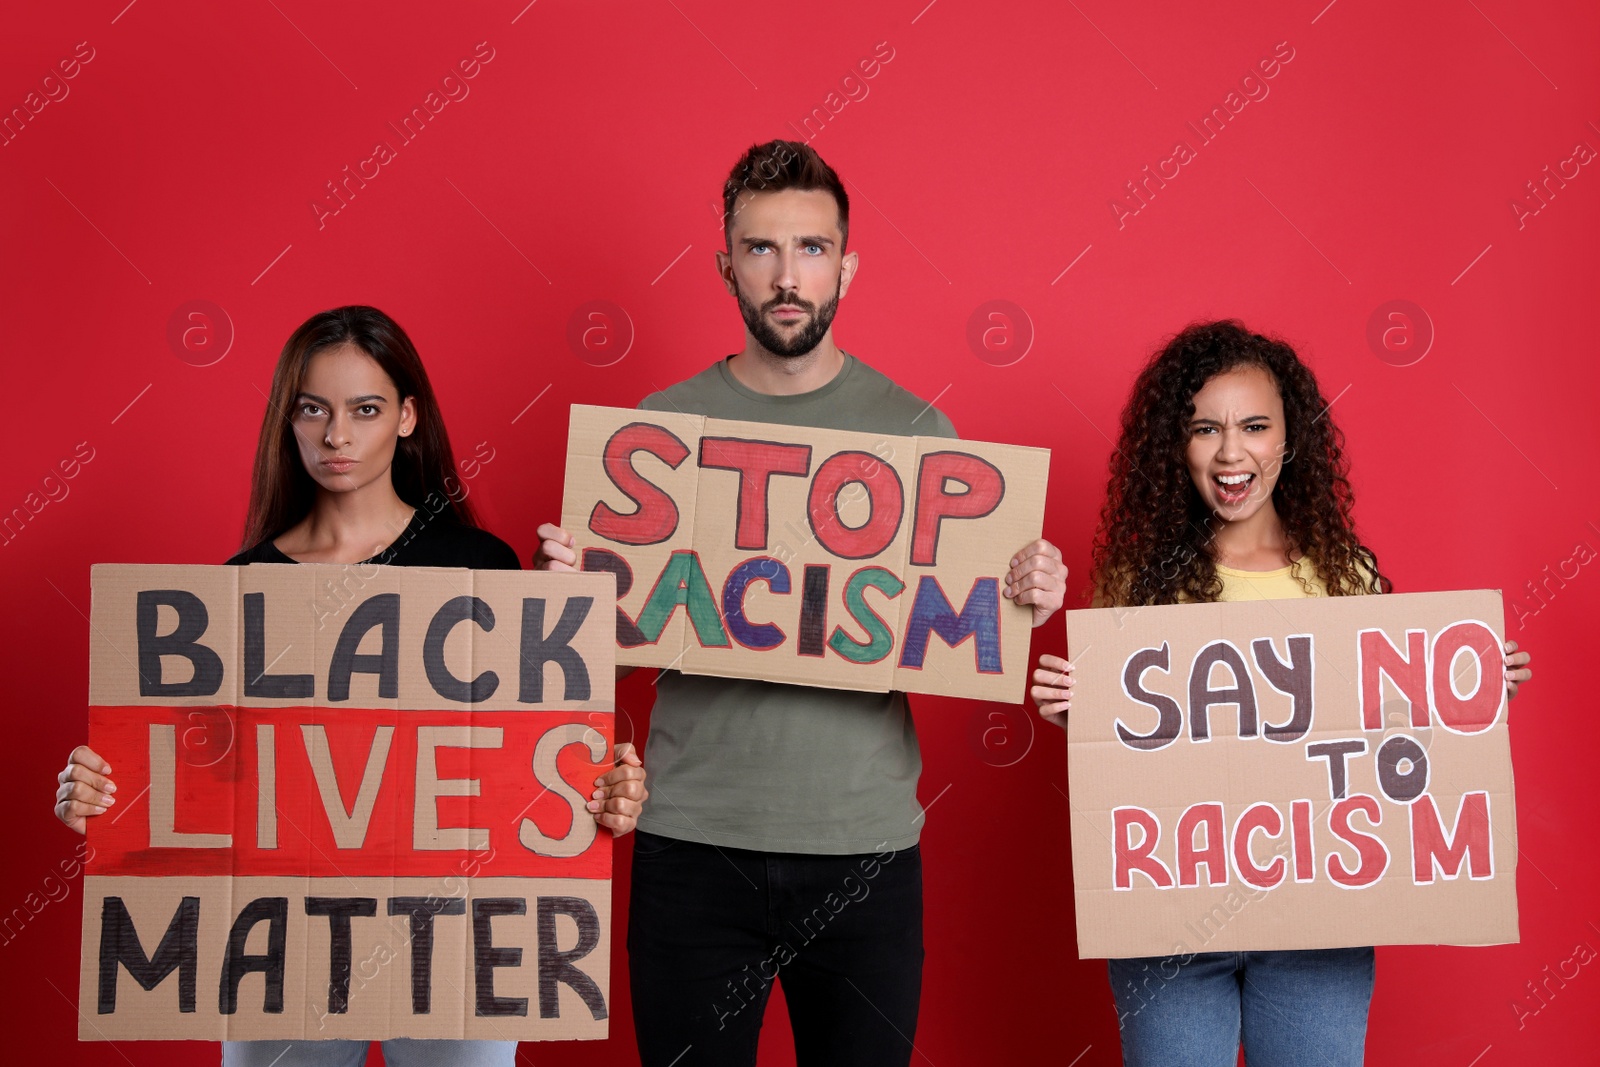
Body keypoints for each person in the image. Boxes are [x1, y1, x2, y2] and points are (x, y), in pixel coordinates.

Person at [535, 140, 1067, 1066]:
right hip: (691, 845)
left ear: (847, 265)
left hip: (863, 853)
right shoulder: (657, 432)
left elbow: (959, 618)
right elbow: (603, 638)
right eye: (762, 250)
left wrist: (1026, 591)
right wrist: (567, 601)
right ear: (725, 264)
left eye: (812, 249)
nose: (787, 278)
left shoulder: (916, 436)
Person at [53, 305, 648, 1067]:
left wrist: (604, 788)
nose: (337, 436)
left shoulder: (481, 569)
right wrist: (105, 794)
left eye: (364, 410)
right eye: (314, 409)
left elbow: (533, 771)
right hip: (283, 939)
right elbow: (203, 781)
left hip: (456, 936)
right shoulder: (241, 591)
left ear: (406, 417)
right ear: (288, 420)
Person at [1029, 319, 1533, 1067]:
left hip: (1317, 924)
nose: (1233, 452)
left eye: (1255, 426)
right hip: (1173, 924)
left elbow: (1389, 734)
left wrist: (1464, 697)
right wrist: (1078, 708)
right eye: (1206, 428)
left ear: (1290, 439)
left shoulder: (1342, 575)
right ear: (1178, 444)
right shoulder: (1139, 585)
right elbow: (1126, 757)